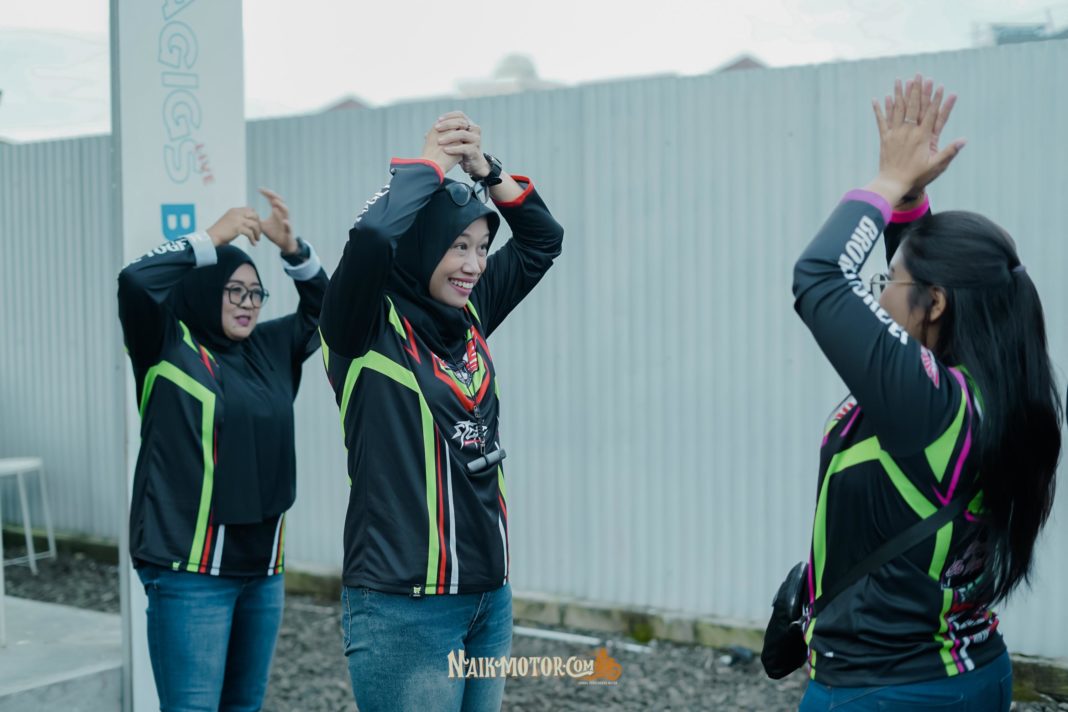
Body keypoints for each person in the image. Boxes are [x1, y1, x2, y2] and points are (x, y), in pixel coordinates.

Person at [792, 75, 1061, 710]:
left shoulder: (929, 407)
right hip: (970, 667)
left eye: (889, 280)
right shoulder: (991, 393)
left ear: (936, 304)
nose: (880, 294)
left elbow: (819, 276)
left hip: (887, 690)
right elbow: (922, 288)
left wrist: (886, 182)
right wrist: (910, 203)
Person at [319, 111, 564, 711]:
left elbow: (543, 240)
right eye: (458, 246)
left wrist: (485, 170)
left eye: (481, 248)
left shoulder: (469, 312)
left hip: (488, 598)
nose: (475, 266)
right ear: (421, 244)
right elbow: (372, 238)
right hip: (405, 606)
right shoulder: (361, 329)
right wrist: (430, 164)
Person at [117, 189, 328, 710]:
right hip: (190, 572)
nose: (247, 303)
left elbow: (330, 310)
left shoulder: (270, 348)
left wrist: (294, 251)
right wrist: (213, 237)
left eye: (256, 293)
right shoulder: (166, 345)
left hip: (263, 569)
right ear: (205, 288)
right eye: (234, 290)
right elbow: (135, 281)